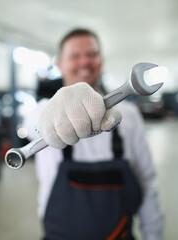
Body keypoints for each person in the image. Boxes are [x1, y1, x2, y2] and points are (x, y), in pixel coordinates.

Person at [23, 28, 163, 239]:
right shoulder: (44, 110)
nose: (84, 62)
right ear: (60, 64)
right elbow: (34, 128)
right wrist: (48, 121)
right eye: (75, 56)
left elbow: (146, 179)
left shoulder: (128, 114)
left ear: (101, 60)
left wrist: (153, 235)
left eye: (91, 54)